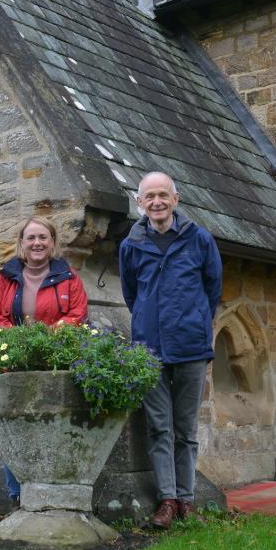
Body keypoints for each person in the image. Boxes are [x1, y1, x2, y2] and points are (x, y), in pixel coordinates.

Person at [119, 172, 222, 529]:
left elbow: (213, 289)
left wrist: (193, 321)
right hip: (150, 347)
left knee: (186, 428)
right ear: (140, 203)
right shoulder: (131, 245)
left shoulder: (199, 240)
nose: (157, 202)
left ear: (176, 200)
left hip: (191, 346)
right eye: (150, 197)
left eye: (163, 195)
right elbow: (132, 294)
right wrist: (150, 321)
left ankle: (187, 500)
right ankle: (167, 499)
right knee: (159, 428)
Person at [0, 216, 89, 502]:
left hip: (55, 365)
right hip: (13, 364)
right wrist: (20, 344)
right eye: (31, 238)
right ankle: (17, 495)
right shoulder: (5, 277)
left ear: (52, 242)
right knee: (14, 429)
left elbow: (76, 315)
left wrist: (45, 341)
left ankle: (52, 494)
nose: (37, 243)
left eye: (43, 237)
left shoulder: (69, 277)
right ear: (22, 243)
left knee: (53, 428)